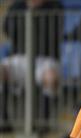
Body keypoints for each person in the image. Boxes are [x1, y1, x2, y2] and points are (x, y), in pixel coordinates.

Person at [0, 0, 63, 130]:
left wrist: (35, 13)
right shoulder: (17, 6)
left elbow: (53, 33)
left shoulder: (54, 6)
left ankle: (44, 123)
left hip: (45, 59)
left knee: (51, 78)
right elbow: (8, 29)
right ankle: (3, 119)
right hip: (19, 57)